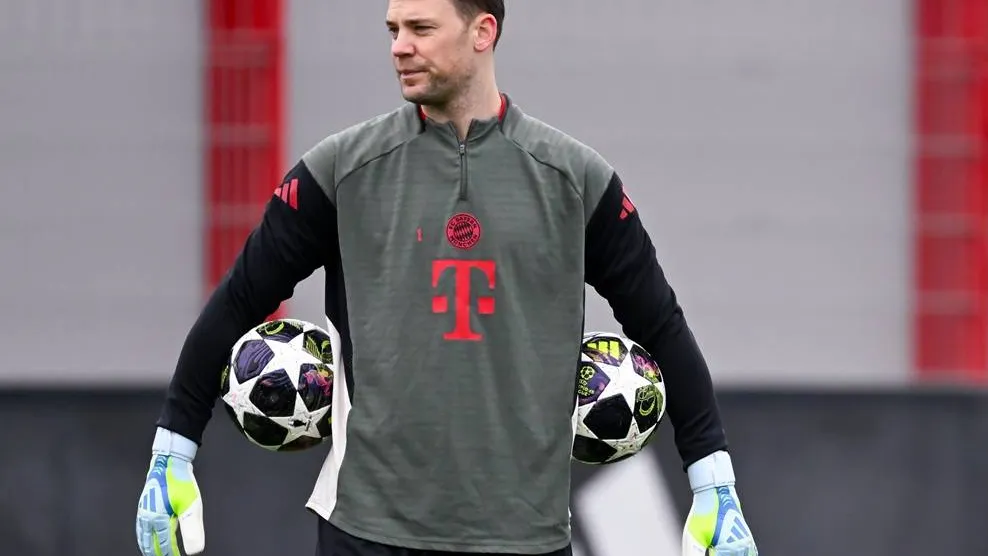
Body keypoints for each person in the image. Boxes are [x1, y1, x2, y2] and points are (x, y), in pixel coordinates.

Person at [135, 0, 760, 555]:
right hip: (366, 529)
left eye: (421, 28)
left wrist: (713, 481)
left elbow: (660, 322)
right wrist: (173, 449)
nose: (399, 46)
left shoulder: (575, 180)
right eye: (392, 29)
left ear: (482, 31)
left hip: (524, 536)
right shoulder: (339, 171)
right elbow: (240, 297)